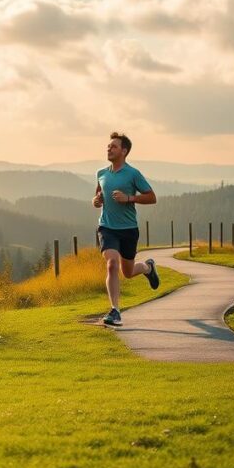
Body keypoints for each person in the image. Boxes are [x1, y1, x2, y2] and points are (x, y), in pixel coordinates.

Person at [93, 131, 159, 327]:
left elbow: (151, 197)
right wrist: (96, 201)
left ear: (124, 151)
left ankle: (147, 267)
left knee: (128, 272)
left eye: (113, 146)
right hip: (107, 228)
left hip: (129, 229)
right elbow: (98, 196)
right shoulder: (101, 173)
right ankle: (115, 311)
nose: (109, 148)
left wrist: (129, 198)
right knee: (112, 264)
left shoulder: (133, 174)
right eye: (108, 146)